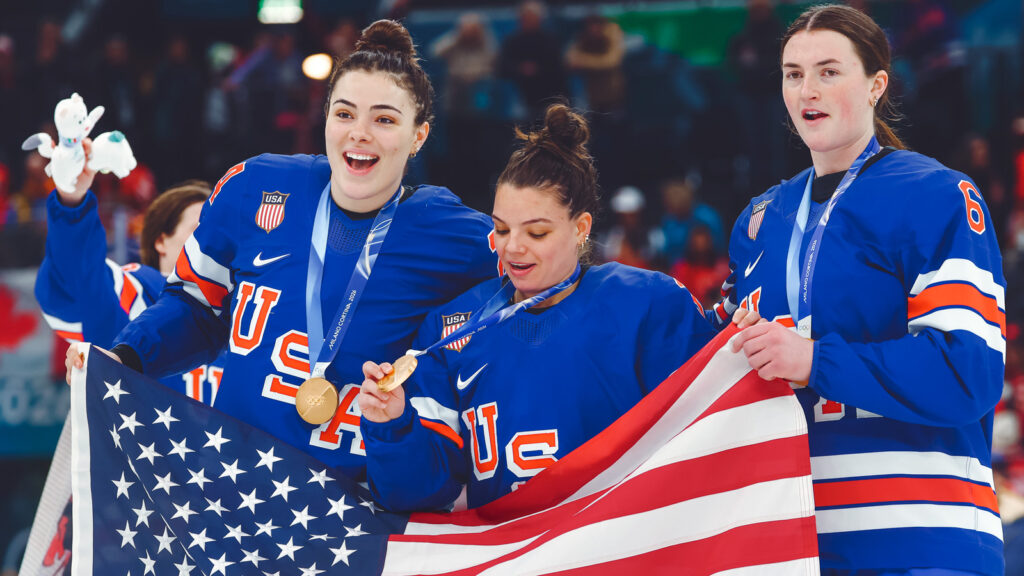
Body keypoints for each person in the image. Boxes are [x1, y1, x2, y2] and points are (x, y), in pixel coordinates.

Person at [66, 20, 500, 481]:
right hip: (234, 490)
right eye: (345, 113)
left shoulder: (450, 230)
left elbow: (541, 275)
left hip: (353, 512)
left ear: (419, 136)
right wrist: (127, 356)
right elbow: (195, 306)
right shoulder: (254, 186)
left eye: (385, 120)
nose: (360, 133)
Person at [717, 5, 1005, 574]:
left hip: (923, 537)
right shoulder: (759, 221)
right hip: (794, 542)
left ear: (877, 85)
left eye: (829, 71)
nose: (807, 90)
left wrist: (814, 359)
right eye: (792, 73)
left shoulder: (938, 195)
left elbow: (966, 371)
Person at [358, 104, 715, 511]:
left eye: (537, 232)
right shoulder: (449, 329)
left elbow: (707, 444)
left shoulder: (647, 303)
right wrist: (394, 426)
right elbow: (421, 497)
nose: (513, 247)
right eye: (502, 228)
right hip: (508, 559)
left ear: (580, 228)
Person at [37, 161, 222, 403]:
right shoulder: (134, 289)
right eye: (198, 230)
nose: (213, 244)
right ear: (161, 241)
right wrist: (71, 203)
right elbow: (75, 283)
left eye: (219, 234)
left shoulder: (249, 312)